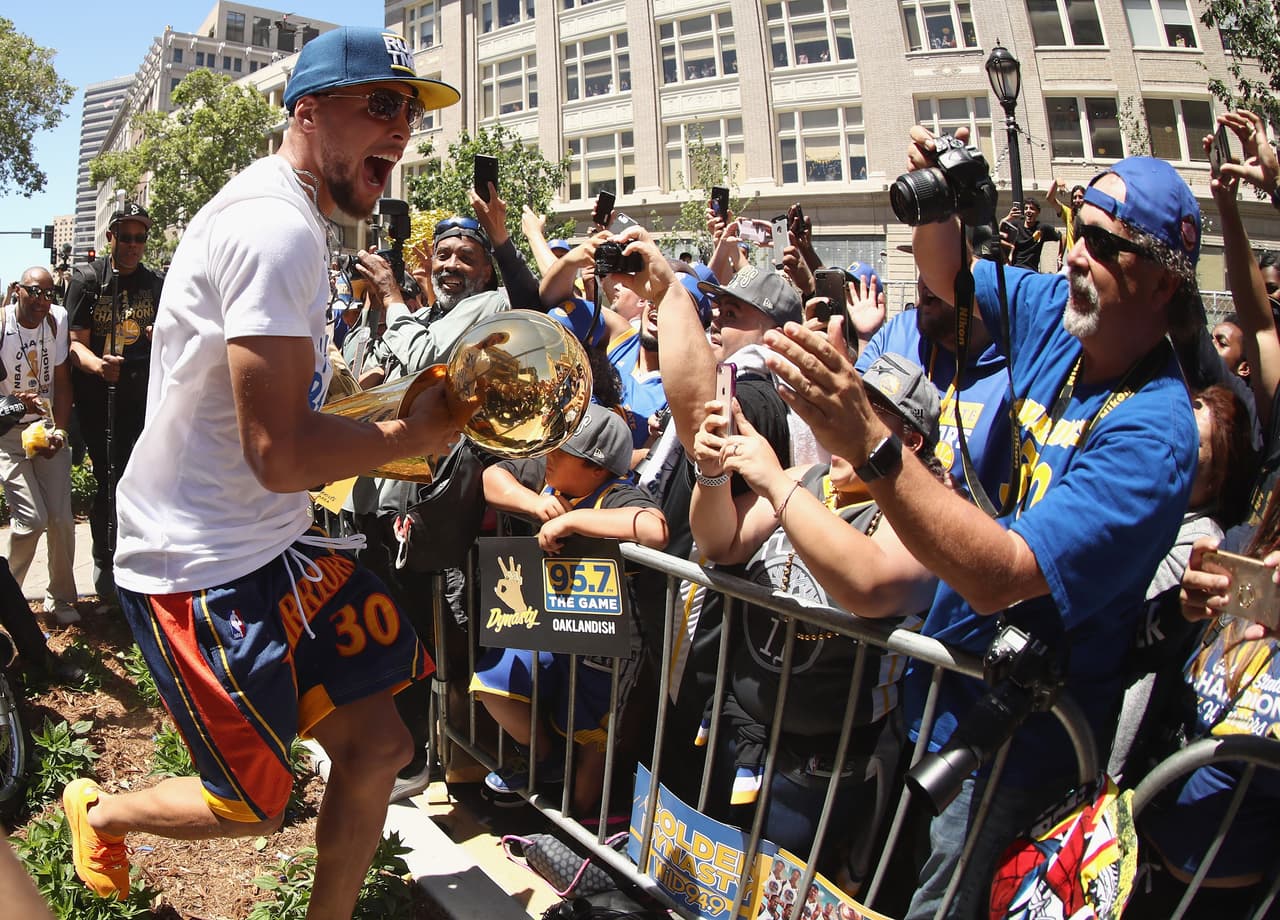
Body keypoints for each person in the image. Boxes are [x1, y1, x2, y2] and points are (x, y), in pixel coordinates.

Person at [60, 28, 468, 917]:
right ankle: (101, 815)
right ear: (307, 111)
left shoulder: (292, 218)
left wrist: (376, 408)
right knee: (252, 804)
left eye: (409, 110)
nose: (402, 129)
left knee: (380, 747)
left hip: (274, 543)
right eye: (380, 104)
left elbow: (279, 420)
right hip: (198, 563)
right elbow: (278, 453)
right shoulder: (274, 228)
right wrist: (410, 432)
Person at [763, 131, 1201, 917]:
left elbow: (1003, 575)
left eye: (1105, 244)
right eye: (1075, 231)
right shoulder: (1059, 319)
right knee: (887, 883)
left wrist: (869, 442)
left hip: (1019, 743)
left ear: (1165, 282)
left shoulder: (1155, 435)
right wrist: (938, 197)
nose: (1076, 255)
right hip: (942, 688)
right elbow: (949, 275)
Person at [688, 353, 944, 879]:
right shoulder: (809, 478)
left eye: (864, 413)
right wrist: (711, 475)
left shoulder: (921, 514)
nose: (839, 420)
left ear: (910, 440)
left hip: (826, 768)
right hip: (743, 733)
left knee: (786, 896)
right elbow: (721, 542)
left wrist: (774, 483)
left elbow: (871, 587)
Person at [473, 408, 668, 811]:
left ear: (597, 469)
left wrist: (575, 520)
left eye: (562, 452)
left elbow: (655, 529)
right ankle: (545, 760)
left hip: (605, 642)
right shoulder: (547, 477)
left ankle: (578, 822)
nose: (549, 455)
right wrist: (533, 503)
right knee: (494, 683)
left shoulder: (617, 494)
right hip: (544, 622)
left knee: (592, 735)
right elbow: (492, 478)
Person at [63, 202, 165, 609]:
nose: (133, 245)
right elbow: (74, 344)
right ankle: (106, 565)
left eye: (140, 238)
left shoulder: (156, 284)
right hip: (99, 399)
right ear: (111, 237)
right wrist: (99, 366)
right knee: (110, 480)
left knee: (145, 481)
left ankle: (141, 565)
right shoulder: (88, 280)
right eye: (126, 237)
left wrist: (161, 334)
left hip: (143, 398)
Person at [0, 267, 76, 623]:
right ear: (18, 290)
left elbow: (62, 382)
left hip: (45, 427)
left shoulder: (56, 320)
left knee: (61, 519)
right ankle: (8, 601)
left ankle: (60, 599)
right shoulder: (2, 325)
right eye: (34, 292)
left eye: (48, 294)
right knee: (31, 520)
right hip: (8, 435)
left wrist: (59, 432)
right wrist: (15, 402)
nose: (42, 300)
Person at [1002, 198, 1061, 271]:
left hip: (1031, 270)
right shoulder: (1016, 226)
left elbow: (1062, 237)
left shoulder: (1042, 228)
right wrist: (1008, 218)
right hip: (1016, 268)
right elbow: (998, 235)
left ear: (1038, 212)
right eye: (1026, 208)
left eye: (1032, 208)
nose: (1028, 211)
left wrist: (1060, 256)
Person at [1049, 179, 1085, 267]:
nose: (1077, 200)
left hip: (1085, 259)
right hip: (1072, 259)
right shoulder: (1068, 213)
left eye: (1080, 197)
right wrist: (1056, 182)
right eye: (1074, 197)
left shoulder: (1091, 216)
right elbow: (1050, 199)